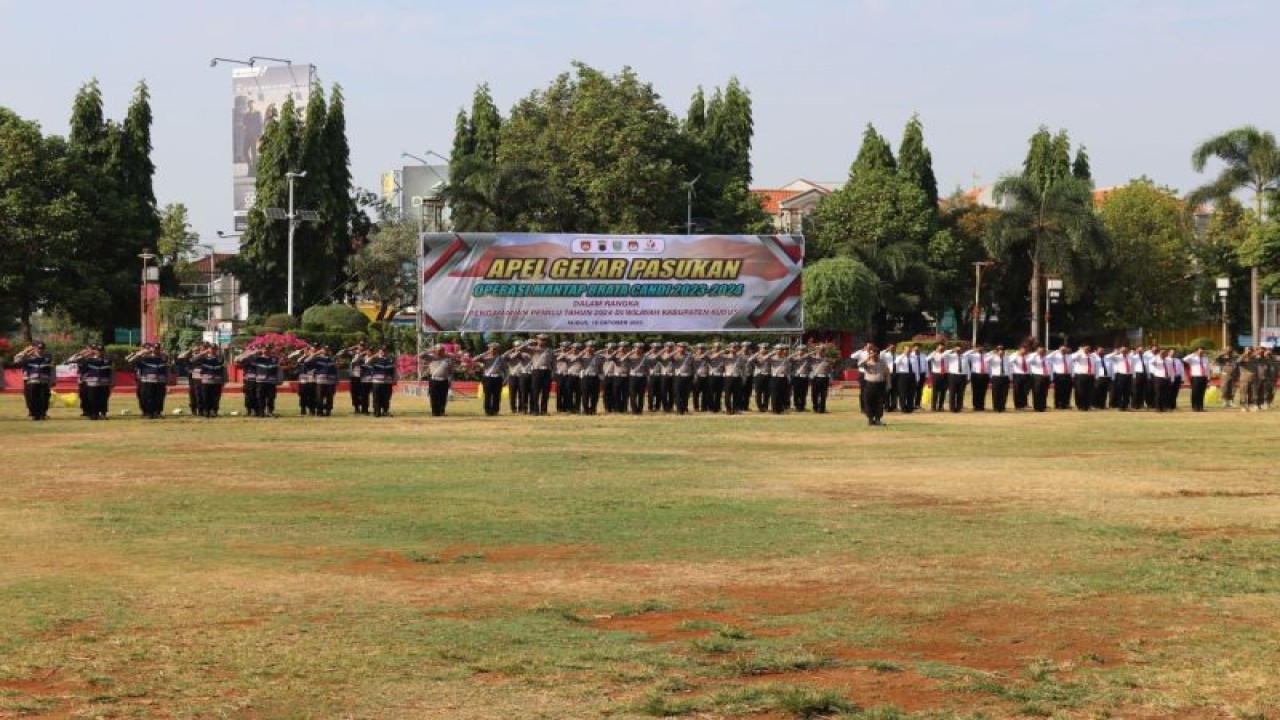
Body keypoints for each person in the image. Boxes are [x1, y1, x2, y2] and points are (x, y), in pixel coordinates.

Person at [69, 344, 113, 420]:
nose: (100, 352)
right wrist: (81, 353)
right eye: (98, 350)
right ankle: (94, 414)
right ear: (94, 351)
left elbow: (111, 371)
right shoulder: (89, 360)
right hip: (92, 382)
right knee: (92, 399)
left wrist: (112, 381)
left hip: (104, 383)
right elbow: (71, 360)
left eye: (101, 350)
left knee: (103, 399)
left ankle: (103, 414)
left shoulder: (107, 360)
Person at [14, 341, 54, 420]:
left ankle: (43, 414)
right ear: (35, 348)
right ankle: (35, 415)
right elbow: (16, 360)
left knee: (44, 398)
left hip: (44, 381)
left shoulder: (48, 357)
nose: (40, 350)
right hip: (33, 381)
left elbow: (52, 368)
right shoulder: (28, 357)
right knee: (33, 398)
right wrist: (25, 352)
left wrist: (52, 379)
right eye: (39, 348)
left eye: (42, 348)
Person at [130, 343, 170, 419]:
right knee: (148, 398)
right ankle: (148, 413)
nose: (156, 350)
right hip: (147, 381)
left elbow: (167, 368)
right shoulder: (145, 359)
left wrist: (168, 380)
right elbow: (131, 361)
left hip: (160, 381)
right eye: (155, 349)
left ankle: (157, 413)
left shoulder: (163, 359)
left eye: (158, 349)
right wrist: (141, 353)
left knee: (159, 398)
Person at [420, 344, 459, 417]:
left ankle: (442, 411)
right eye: (438, 350)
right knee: (434, 397)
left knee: (443, 397)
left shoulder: (448, 358)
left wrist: (450, 380)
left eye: (441, 350)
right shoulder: (431, 357)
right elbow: (421, 355)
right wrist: (430, 350)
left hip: (444, 380)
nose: (440, 352)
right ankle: (434, 412)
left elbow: (451, 369)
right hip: (434, 380)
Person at [857, 347, 891, 426]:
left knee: (879, 402)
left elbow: (887, 374)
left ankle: (878, 419)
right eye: (871, 353)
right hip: (869, 384)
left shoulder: (883, 363)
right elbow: (859, 364)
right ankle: (870, 419)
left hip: (880, 384)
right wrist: (867, 358)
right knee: (869, 402)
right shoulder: (867, 363)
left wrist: (888, 384)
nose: (873, 355)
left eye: (875, 353)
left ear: (878, 354)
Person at [364, 346, 397, 417]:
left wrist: (395, 379)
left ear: (387, 352)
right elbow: (366, 363)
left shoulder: (390, 359)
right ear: (379, 351)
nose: (383, 352)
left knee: (386, 398)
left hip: (387, 382)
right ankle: (377, 412)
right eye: (381, 351)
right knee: (376, 397)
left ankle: (385, 411)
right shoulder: (375, 359)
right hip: (377, 381)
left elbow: (394, 370)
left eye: (384, 351)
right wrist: (374, 355)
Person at [195, 343, 226, 417]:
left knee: (215, 398)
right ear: (209, 349)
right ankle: (206, 411)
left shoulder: (220, 358)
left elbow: (223, 369)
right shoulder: (204, 358)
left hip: (217, 381)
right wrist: (204, 352)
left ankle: (214, 411)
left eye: (215, 349)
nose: (213, 351)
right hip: (206, 381)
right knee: (205, 397)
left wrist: (224, 380)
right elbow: (194, 359)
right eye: (212, 349)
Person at [307, 346, 339, 416]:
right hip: (320, 381)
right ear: (321, 350)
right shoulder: (317, 358)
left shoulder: (332, 359)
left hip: (330, 381)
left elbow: (335, 370)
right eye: (324, 349)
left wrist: (337, 379)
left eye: (327, 350)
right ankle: (319, 411)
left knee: (329, 397)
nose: (326, 351)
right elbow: (307, 362)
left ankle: (328, 411)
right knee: (319, 397)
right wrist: (315, 354)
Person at [478, 342, 508, 416]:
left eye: (494, 349)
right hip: (487, 378)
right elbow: (474, 359)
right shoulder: (485, 358)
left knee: (497, 395)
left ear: (498, 350)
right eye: (490, 348)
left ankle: (495, 410)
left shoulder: (501, 358)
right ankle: (487, 410)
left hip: (497, 378)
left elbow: (505, 370)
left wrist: (506, 379)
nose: (492, 350)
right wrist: (486, 353)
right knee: (487, 395)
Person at [809, 343, 835, 414]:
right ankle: (815, 407)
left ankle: (822, 409)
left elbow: (830, 370)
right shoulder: (812, 358)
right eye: (819, 350)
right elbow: (805, 356)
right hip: (815, 378)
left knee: (823, 394)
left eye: (822, 350)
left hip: (824, 378)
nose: (821, 352)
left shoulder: (827, 360)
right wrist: (814, 351)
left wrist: (831, 379)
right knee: (814, 394)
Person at [1183, 347, 1212, 412]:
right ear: (1196, 351)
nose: (1201, 353)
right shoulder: (1192, 358)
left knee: (1202, 393)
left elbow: (1207, 368)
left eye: (1202, 351)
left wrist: (1208, 377)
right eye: (1200, 351)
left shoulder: (1205, 358)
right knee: (1195, 392)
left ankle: (1201, 407)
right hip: (1196, 377)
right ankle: (1195, 407)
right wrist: (1193, 354)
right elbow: (1184, 359)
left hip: (1204, 377)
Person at [1046, 344, 1074, 410]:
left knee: (1067, 391)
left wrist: (1072, 375)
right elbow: (1047, 357)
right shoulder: (1056, 356)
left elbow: (1072, 366)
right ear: (1059, 349)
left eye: (1065, 349)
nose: (1064, 350)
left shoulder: (1069, 356)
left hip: (1067, 375)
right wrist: (1056, 351)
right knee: (1058, 391)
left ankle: (1065, 404)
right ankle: (1057, 404)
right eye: (1062, 349)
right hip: (1058, 375)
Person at [581, 342, 605, 415]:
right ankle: (586, 410)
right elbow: (576, 358)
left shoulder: (598, 357)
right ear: (586, 347)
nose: (591, 348)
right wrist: (583, 352)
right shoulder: (582, 357)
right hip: (586, 377)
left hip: (595, 377)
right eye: (589, 347)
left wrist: (602, 378)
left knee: (595, 395)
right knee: (585, 395)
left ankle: (593, 410)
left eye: (593, 347)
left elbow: (600, 368)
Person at [1107, 347, 1134, 411]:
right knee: (1120, 391)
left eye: (1126, 350)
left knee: (1127, 392)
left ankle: (1126, 405)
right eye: (1123, 350)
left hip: (1129, 375)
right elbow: (1108, 357)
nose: (1124, 351)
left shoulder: (1130, 357)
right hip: (1121, 375)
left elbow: (1132, 365)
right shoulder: (1118, 357)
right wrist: (1116, 352)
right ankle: (1120, 406)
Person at [1070, 344, 1096, 411]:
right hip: (1081, 376)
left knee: (1089, 392)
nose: (1087, 349)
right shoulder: (1079, 355)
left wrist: (1095, 375)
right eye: (1086, 348)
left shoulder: (1092, 356)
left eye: (1089, 348)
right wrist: (1080, 351)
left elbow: (1094, 366)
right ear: (1083, 348)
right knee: (1080, 391)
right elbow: (1072, 358)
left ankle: (1087, 406)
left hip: (1090, 376)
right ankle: (1080, 406)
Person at [965, 344, 990, 411]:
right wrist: (973, 350)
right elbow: (965, 355)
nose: (980, 349)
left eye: (982, 348)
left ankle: (981, 406)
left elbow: (990, 366)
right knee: (976, 391)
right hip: (976, 375)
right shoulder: (973, 356)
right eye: (979, 348)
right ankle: (976, 406)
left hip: (985, 375)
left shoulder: (988, 355)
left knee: (983, 391)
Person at [769, 344, 792, 415]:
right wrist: (771, 353)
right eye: (778, 349)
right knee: (775, 394)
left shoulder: (786, 359)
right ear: (775, 350)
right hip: (775, 377)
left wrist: (788, 378)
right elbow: (763, 359)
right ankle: (775, 409)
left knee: (783, 394)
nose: (780, 351)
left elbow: (788, 370)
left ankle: (781, 409)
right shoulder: (771, 359)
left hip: (784, 378)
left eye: (781, 350)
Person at [986, 345, 1010, 412]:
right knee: (996, 393)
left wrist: (1010, 377)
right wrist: (993, 354)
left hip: (1005, 376)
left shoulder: (1007, 357)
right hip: (996, 377)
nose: (1001, 351)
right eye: (999, 350)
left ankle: (1002, 407)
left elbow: (1010, 367)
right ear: (997, 351)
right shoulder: (993, 357)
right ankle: (996, 407)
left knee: (1004, 393)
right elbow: (985, 360)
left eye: (1002, 350)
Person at [925, 343, 948, 412]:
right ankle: (933, 407)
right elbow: (927, 359)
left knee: (943, 392)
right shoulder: (934, 354)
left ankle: (941, 407)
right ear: (937, 348)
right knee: (935, 391)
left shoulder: (946, 355)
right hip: (936, 374)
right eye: (940, 348)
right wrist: (935, 352)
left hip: (945, 374)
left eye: (942, 348)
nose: (941, 349)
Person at [1029, 346, 1051, 412]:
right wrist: (1036, 353)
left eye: (1043, 350)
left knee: (1044, 392)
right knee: (1037, 391)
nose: (1042, 352)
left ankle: (1043, 406)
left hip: (1046, 376)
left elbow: (1050, 368)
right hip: (1037, 376)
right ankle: (1037, 406)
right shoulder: (1034, 357)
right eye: (1040, 350)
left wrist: (1050, 377)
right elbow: (1029, 361)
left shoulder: (1047, 358)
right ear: (1037, 350)